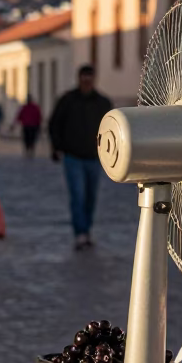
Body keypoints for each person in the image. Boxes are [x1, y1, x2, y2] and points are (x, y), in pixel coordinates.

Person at [49, 65, 113, 250]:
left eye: (90, 76)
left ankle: (87, 229)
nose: (87, 80)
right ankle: (80, 233)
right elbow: (55, 124)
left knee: (91, 196)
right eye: (84, 76)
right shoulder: (67, 100)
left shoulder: (103, 103)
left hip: (94, 157)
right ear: (78, 78)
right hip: (73, 157)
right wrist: (57, 147)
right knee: (77, 195)